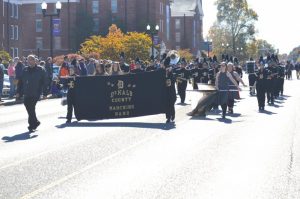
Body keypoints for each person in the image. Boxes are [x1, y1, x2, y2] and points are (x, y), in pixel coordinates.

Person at [16, 55, 48, 132]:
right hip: (27, 92)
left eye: (30, 60)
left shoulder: (40, 70)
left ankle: (31, 125)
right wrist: (18, 92)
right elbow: (20, 82)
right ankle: (35, 122)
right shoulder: (25, 70)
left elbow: (45, 82)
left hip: (36, 92)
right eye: (28, 60)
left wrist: (45, 93)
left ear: (34, 61)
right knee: (28, 106)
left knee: (31, 107)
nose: (29, 62)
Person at [164, 57, 176, 123]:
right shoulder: (163, 72)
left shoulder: (172, 73)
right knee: (167, 104)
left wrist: (170, 73)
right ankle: (168, 117)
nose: (167, 69)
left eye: (168, 68)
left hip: (171, 91)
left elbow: (173, 81)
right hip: (166, 91)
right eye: (166, 68)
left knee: (171, 104)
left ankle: (172, 115)